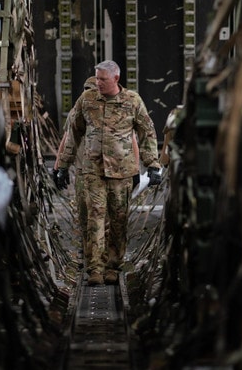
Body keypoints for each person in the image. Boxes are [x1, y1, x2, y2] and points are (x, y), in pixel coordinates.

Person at [52, 60, 162, 285]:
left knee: (119, 220)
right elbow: (73, 134)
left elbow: (146, 133)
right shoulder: (87, 100)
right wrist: (62, 166)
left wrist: (153, 165)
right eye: (97, 78)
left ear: (116, 79)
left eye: (102, 79)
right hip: (93, 170)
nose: (98, 83)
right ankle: (95, 269)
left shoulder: (132, 101)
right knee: (95, 218)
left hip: (122, 172)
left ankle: (113, 266)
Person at [54, 76, 97, 260]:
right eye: (86, 90)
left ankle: (101, 255)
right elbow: (66, 139)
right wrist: (58, 167)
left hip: (106, 173)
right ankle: (87, 251)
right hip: (82, 171)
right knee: (84, 213)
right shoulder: (75, 112)